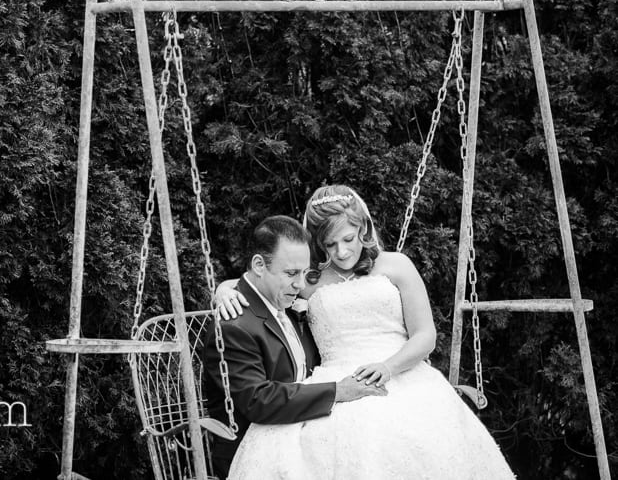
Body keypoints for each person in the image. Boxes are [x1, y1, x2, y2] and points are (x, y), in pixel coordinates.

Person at [214, 185, 516, 480]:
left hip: (402, 373)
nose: (341, 252)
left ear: (363, 228)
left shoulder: (396, 265)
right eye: (330, 244)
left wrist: (388, 367)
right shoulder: (311, 279)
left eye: (347, 239)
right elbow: (260, 282)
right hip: (337, 379)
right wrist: (223, 290)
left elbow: (425, 336)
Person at [201, 215, 385, 480]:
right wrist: (338, 391)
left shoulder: (282, 303)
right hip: (255, 454)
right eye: (291, 273)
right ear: (259, 265)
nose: (300, 285)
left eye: (303, 272)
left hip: (301, 433)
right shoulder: (234, 326)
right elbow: (258, 401)